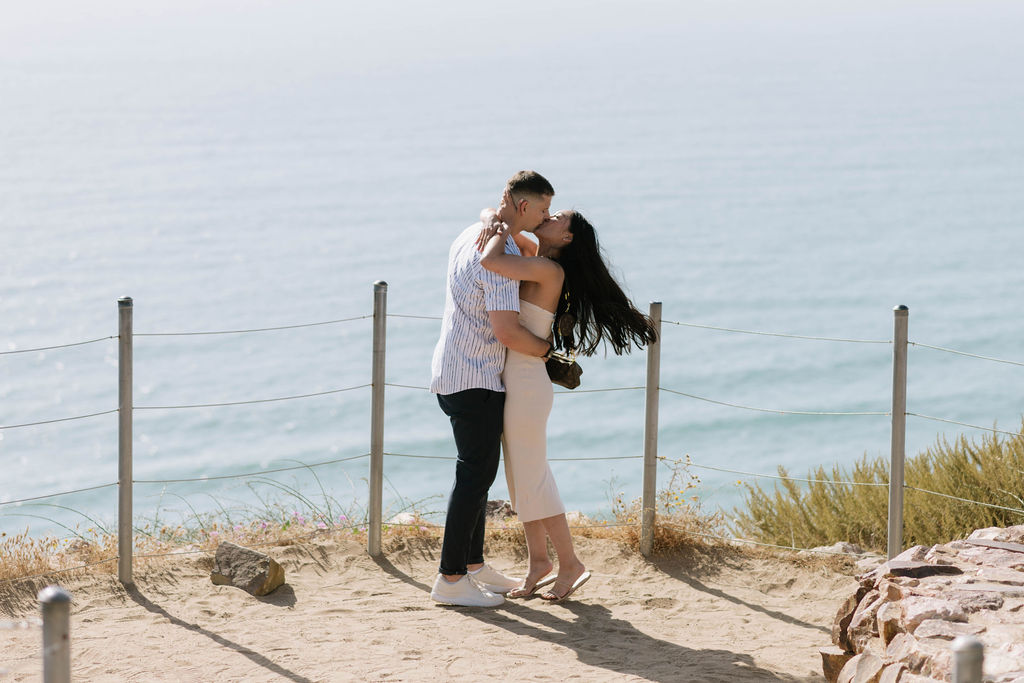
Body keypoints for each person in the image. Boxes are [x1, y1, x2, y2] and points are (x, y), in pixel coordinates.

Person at [477, 203, 657, 602]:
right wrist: (492, 216)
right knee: (521, 478)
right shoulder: (535, 257)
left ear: (567, 238)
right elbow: (505, 221)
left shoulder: (547, 270)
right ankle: (538, 563)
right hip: (517, 380)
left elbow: (490, 260)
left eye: (559, 217)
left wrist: (495, 226)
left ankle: (570, 562)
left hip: (526, 382)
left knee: (533, 476)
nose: (551, 215)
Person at [428, 170, 558, 607]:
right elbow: (506, 332)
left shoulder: (472, 233)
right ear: (523, 206)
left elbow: (526, 245)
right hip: (477, 376)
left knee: (478, 474)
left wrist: (495, 218)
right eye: (542, 209)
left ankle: (473, 566)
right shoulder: (499, 261)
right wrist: (546, 351)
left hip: (452, 370)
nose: (546, 217)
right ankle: (449, 579)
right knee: (475, 476)